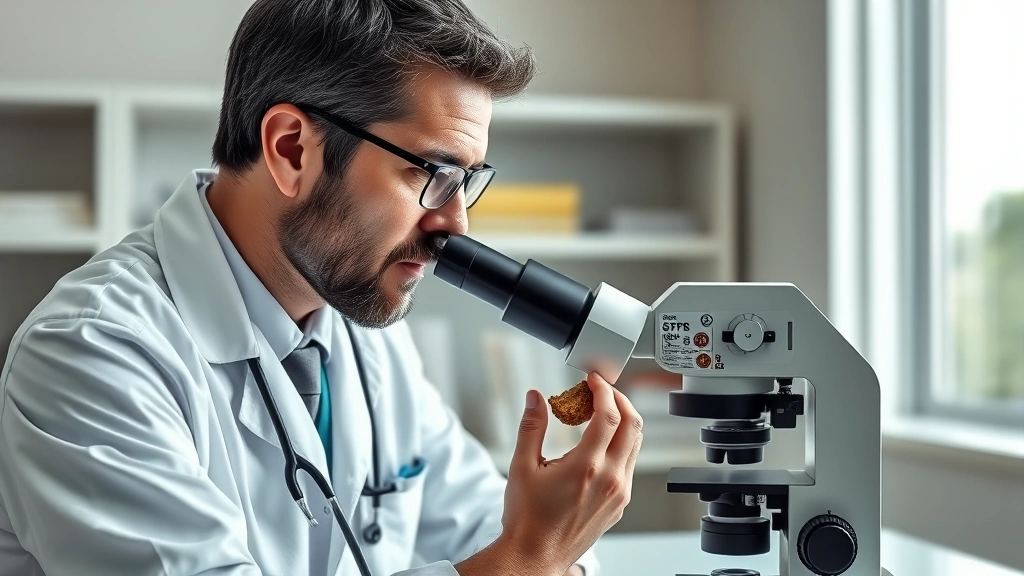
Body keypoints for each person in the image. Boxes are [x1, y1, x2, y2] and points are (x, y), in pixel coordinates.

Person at [0, 1, 644, 575]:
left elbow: (486, 516)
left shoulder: (361, 326)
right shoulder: (90, 353)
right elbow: (523, 550)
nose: (455, 224)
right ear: (291, 150)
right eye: (432, 173)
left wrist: (548, 541)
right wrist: (529, 559)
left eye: (466, 182)